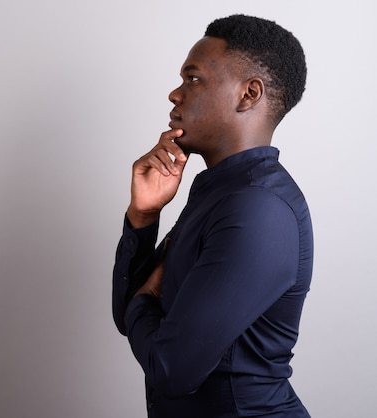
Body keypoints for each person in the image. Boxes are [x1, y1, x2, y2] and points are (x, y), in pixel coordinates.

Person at [112, 14, 313, 417]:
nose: (174, 93)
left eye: (193, 79)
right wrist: (144, 216)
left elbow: (170, 368)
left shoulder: (258, 207)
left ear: (248, 94)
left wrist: (144, 296)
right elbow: (127, 317)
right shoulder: (220, 191)